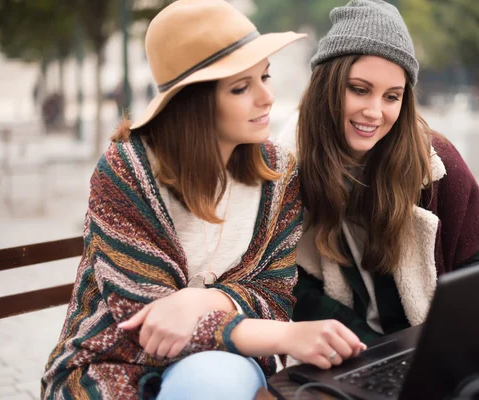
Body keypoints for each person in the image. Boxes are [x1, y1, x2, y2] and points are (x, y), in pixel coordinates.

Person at [41, 1, 365, 399]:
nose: (266, 97)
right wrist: (284, 335)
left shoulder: (278, 173)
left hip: (226, 363)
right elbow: (145, 323)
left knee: (212, 377)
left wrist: (199, 299)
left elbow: (274, 295)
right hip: (112, 364)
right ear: (194, 102)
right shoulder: (128, 171)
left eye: (265, 76)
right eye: (241, 87)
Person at [280, 0, 479, 345]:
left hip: (433, 349)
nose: (374, 111)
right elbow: (296, 285)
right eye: (359, 89)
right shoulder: (290, 170)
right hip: (349, 355)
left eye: (392, 96)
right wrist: (370, 347)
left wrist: (443, 340)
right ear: (326, 87)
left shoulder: (435, 165)